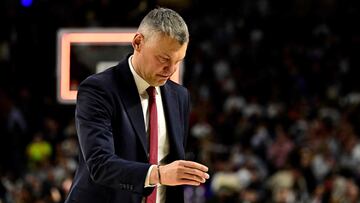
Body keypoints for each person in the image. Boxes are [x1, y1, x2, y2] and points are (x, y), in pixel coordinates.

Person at [64, 7, 210, 203]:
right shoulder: (98, 89)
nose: (171, 69)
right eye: (164, 59)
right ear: (138, 42)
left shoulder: (180, 96)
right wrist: (158, 174)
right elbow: (100, 164)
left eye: (178, 61)